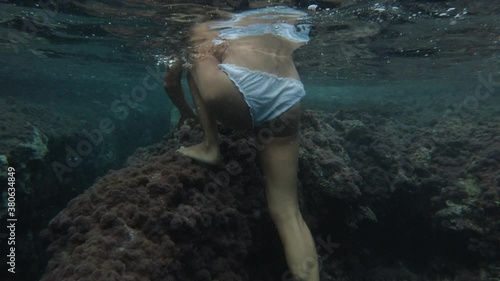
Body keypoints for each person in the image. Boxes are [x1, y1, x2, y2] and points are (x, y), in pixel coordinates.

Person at [163, 6, 319, 281]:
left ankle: (211, 146)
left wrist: (185, 111)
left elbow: (170, 83)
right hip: (288, 95)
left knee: (192, 61)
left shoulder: (199, 24)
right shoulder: (278, 16)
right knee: (287, 212)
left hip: (234, 91)